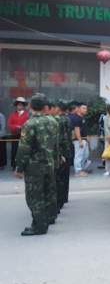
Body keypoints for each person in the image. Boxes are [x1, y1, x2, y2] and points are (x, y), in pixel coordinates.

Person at [14, 94, 60, 236]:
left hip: (34, 168)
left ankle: (39, 226)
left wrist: (19, 168)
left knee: (34, 197)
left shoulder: (29, 124)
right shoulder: (53, 121)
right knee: (47, 194)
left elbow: (24, 149)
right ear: (46, 107)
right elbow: (56, 145)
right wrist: (56, 161)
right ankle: (44, 222)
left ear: (29, 106)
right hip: (49, 164)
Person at [70, 102, 91, 177]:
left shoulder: (83, 118)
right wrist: (80, 141)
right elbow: (77, 130)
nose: (85, 110)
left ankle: (82, 169)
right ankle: (78, 171)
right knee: (79, 155)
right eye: (83, 108)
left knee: (85, 155)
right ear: (78, 109)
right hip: (78, 140)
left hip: (84, 139)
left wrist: (87, 138)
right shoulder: (76, 118)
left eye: (86, 108)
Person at [8, 97, 29, 171]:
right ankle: (14, 165)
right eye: (18, 105)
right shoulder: (12, 115)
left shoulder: (27, 114)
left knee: (23, 150)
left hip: (24, 135)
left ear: (23, 106)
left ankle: (23, 165)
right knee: (14, 150)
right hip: (15, 134)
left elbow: (29, 123)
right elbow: (10, 123)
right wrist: (16, 127)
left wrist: (22, 127)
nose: (19, 106)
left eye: (21, 105)